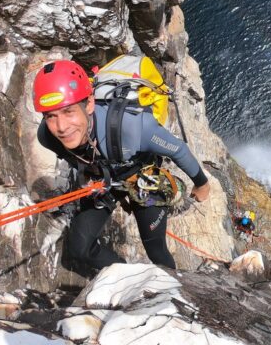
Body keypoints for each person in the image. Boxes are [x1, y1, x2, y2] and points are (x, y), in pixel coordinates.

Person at [33, 59, 211, 271]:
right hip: (102, 180)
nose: (61, 127)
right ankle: (126, 278)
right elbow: (75, 157)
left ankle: (173, 286)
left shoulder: (134, 127)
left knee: (156, 251)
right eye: (51, 116)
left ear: (89, 104)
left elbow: (178, 149)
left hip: (142, 178)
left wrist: (202, 184)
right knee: (80, 248)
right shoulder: (47, 137)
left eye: (69, 111)